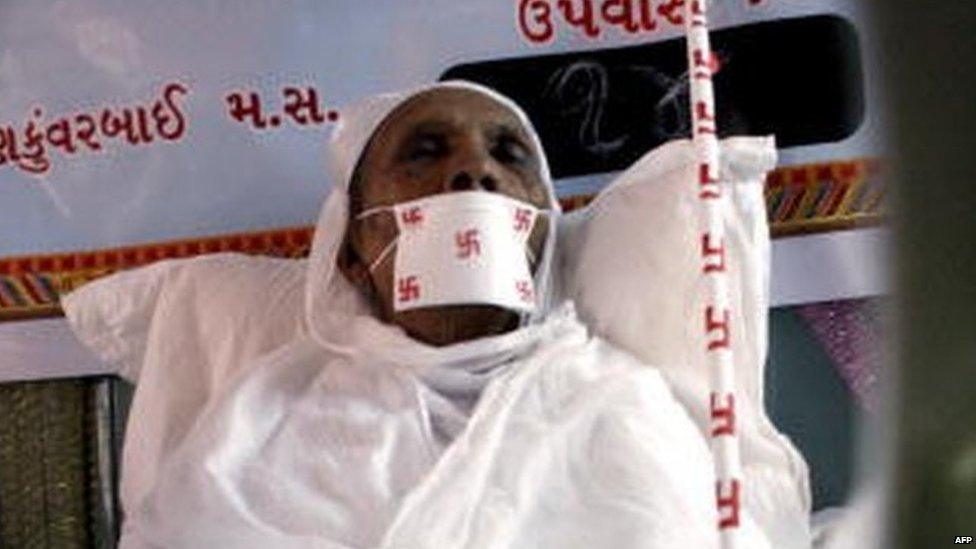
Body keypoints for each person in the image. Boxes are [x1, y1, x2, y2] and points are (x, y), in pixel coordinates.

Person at [64, 81, 809, 548]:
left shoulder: (621, 404)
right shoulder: (262, 425)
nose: (473, 172)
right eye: (425, 152)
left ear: (543, 227)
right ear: (355, 248)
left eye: (508, 154)